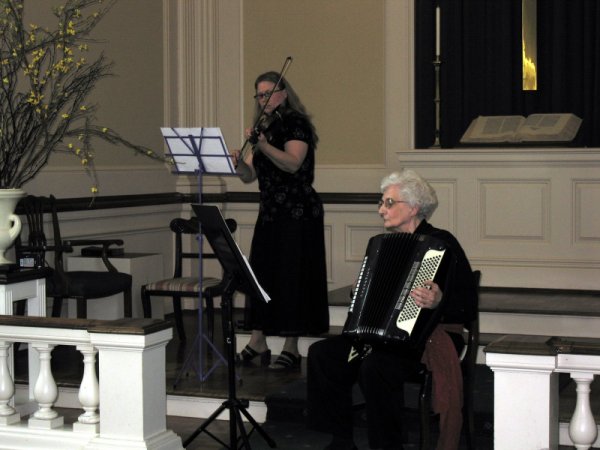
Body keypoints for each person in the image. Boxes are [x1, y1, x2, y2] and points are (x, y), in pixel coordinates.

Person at [306, 169, 478, 450]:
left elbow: (467, 303)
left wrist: (438, 301)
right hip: (379, 338)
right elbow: (367, 300)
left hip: (426, 338)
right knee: (322, 355)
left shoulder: (441, 243)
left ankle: (387, 445)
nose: (380, 210)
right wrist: (360, 292)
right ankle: (340, 440)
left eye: (388, 203)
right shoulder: (380, 246)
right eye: (381, 202)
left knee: (376, 368)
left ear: (413, 208)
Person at [231, 71, 329, 370]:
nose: (264, 99)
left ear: (284, 93)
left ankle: (291, 347)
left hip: (298, 212)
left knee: (293, 278)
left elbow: (293, 162)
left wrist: (262, 145)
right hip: (272, 212)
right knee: (263, 276)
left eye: (269, 93)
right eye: (259, 95)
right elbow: (249, 176)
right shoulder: (264, 128)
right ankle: (257, 340)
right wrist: (237, 164)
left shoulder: (296, 124)